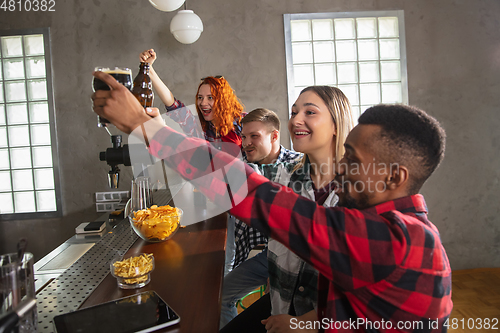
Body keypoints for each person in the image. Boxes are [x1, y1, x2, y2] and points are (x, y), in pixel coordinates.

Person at [92, 71, 453, 332]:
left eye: (354, 160)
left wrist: (145, 128)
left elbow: (251, 194)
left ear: (394, 178)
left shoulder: (395, 241)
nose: (342, 168)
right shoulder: (389, 227)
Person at [139, 49, 245, 274]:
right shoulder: (203, 126)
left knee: (226, 265)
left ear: (223, 100)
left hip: (241, 203)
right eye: (200, 98)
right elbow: (173, 105)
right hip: (216, 201)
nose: (203, 103)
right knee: (211, 263)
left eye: (210, 97)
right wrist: (150, 70)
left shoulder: (241, 125)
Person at [221, 108, 303, 329]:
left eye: (254, 136)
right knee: (220, 296)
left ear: (274, 136)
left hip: (295, 262)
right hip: (268, 254)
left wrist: (277, 273)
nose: (246, 142)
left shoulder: (297, 168)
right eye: (244, 136)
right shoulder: (248, 167)